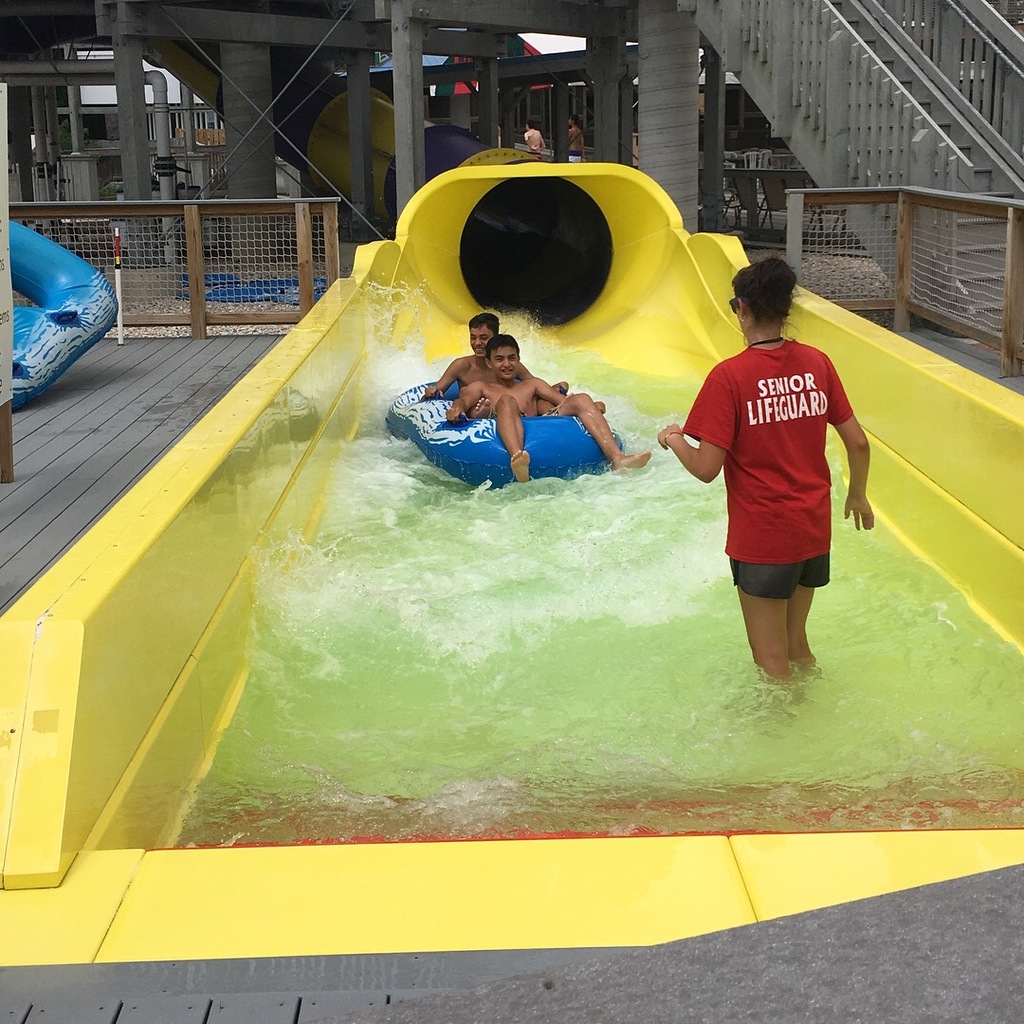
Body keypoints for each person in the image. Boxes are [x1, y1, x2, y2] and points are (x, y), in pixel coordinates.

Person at [657, 255, 874, 680]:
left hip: (764, 535)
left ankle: (786, 723)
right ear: (786, 307)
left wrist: (673, 438)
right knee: (797, 647)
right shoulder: (817, 363)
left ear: (742, 308)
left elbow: (706, 468)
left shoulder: (729, 377)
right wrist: (858, 494)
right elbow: (859, 442)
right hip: (812, 528)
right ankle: (813, 711)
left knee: (770, 659)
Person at [447, 334, 651, 483]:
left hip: (538, 422)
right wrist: (456, 410)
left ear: (518, 360)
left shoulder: (531, 384)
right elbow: (461, 402)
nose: (507, 364)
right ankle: (518, 459)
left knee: (581, 398)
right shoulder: (481, 387)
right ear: (489, 363)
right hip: (500, 421)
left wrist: (591, 406)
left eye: (512, 358)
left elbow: (562, 401)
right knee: (507, 400)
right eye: (499, 359)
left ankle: (618, 459)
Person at [421, 313, 577, 417]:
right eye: (473, 338)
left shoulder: (508, 365)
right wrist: (430, 392)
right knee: (479, 405)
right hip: (476, 410)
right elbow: (434, 395)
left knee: (544, 401)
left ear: (495, 338)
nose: (477, 343)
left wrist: (555, 392)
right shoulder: (461, 365)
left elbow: (534, 386)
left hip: (509, 409)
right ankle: (482, 413)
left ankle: (555, 419)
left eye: (484, 338)